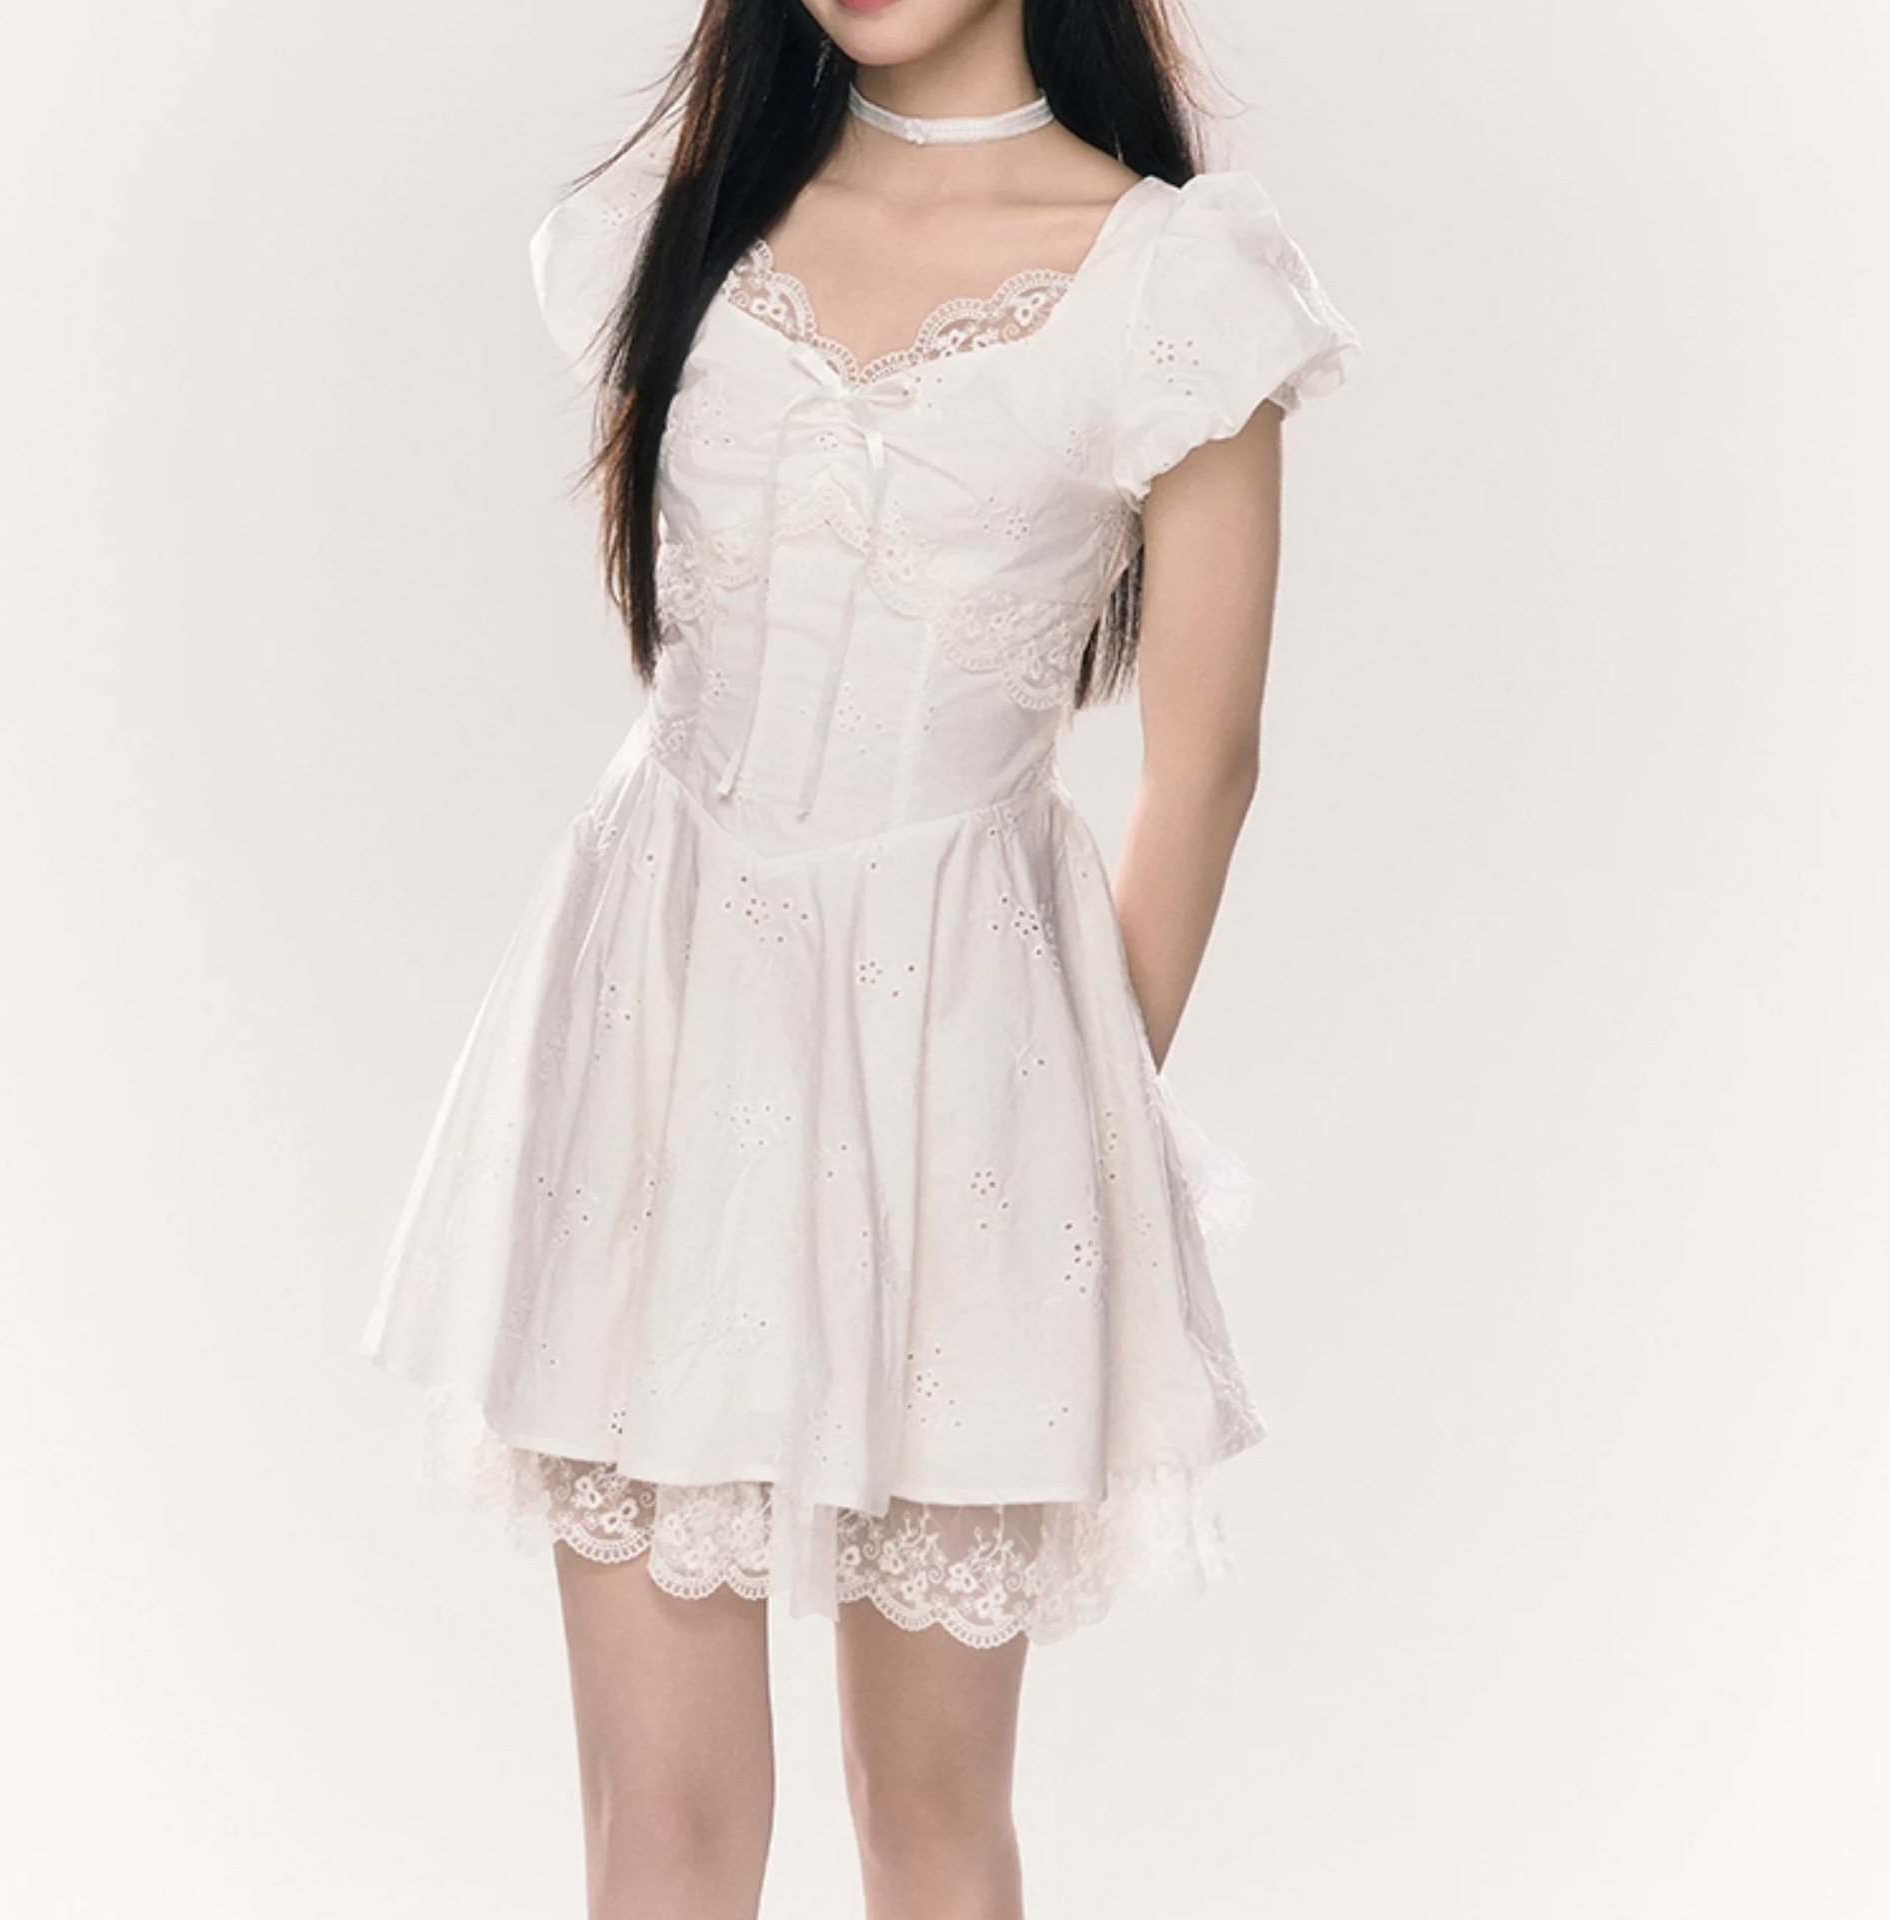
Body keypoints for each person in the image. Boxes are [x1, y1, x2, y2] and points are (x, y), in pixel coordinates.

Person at [361, 0, 1356, 1912]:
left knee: (929, 1823)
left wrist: (1061, 1147)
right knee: (660, 1823)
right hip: (653, 1046)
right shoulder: (684, 225)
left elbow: (1205, 769)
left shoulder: (1177, 286)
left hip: (963, 1083)